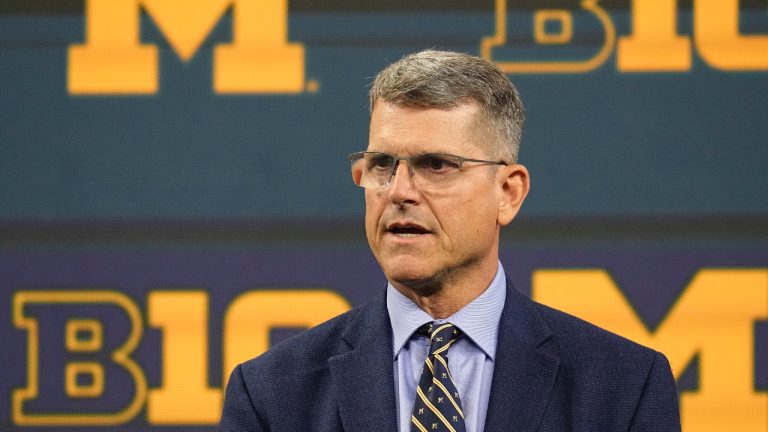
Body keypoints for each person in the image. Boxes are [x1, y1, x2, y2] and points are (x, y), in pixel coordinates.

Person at [218, 50, 681, 432]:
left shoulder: (624, 388)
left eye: (436, 165)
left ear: (508, 192)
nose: (399, 191)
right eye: (382, 165)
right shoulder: (271, 396)